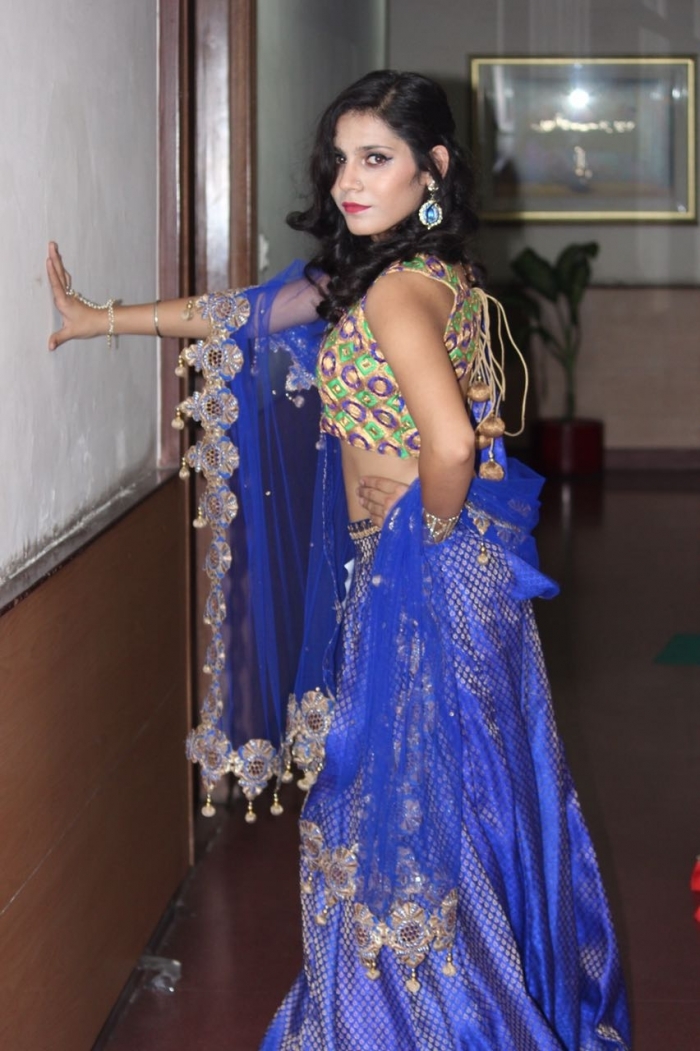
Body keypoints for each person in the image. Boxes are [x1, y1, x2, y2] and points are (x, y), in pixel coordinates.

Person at [48, 70, 631, 1050]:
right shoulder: (418, 276)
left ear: (431, 168)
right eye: (340, 160)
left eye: (375, 159)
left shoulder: (395, 292)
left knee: (395, 817)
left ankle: (416, 1025)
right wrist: (100, 318)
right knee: (457, 805)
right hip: (449, 577)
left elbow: (452, 444)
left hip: (426, 577)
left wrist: (424, 537)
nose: (348, 181)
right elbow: (239, 314)